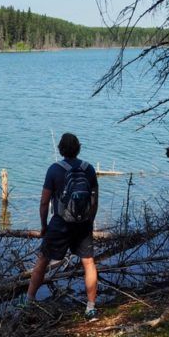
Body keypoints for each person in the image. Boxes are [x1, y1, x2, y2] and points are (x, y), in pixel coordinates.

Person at [24, 132, 100, 320]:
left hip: (60, 223)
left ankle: (28, 301)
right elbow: (95, 200)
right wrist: (89, 221)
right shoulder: (88, 169)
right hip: (83, 223)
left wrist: (44, 226)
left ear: (61, 149)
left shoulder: (54, 170)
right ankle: (90, 307)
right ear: (78, 148)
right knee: (88, 262)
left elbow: (44, 203)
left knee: (43, 259)